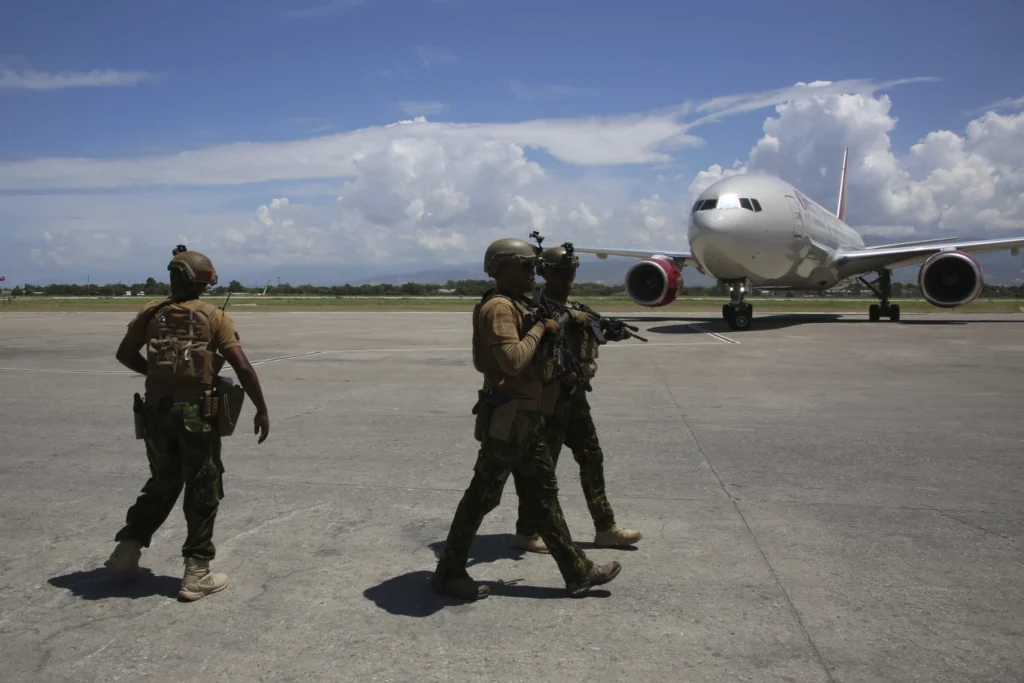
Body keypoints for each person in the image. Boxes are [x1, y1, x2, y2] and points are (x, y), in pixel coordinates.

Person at [431, 237, 622, 601]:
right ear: (503, 267)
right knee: (482, 497)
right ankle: (449, 572)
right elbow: (514, 361)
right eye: (526, 267)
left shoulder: (521, 305)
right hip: (508, 418)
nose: (533, 274)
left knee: (543, 495)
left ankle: (578, 572)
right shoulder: (500, 309)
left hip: (527, 416)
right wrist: (541, 329)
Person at [104, 245, 270, 602]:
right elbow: (241, 365)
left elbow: (124, 354)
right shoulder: (213, 316)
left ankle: (127, 551)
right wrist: (262, 408)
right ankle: (197, 573)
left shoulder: (151, 313)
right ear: (204, 281)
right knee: (203, 488)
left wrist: (160, 375)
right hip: (196, 414)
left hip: (156, 413)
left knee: (163, 481)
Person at [512, 244, 644, 554]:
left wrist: (610, 330)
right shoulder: (537, 309)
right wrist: (574, 317)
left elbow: (586, 333)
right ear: (546, 274)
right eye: (562, 272)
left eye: (572, 271)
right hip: (549, 399)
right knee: (544, 468)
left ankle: (605, 527)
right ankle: (527, 530)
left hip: (575, 397)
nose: (569, 277)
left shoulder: (578, 307)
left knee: (592, 456)